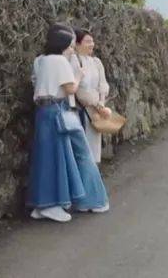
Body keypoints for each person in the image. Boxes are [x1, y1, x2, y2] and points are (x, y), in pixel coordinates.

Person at [28, 25, 109, 222]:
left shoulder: (40, 60)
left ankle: (42, 205)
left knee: (45, 158)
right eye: (71, 45)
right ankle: (77, 202)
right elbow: (71, 88)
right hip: (58, 111)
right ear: (62, 44)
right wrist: (79, 75)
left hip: (42, 111)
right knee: (69, 156)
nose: (72, 49)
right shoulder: (60, 61)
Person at [73, 28, 113, 163]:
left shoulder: (96, 62)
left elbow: (103, 84)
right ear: (77, 44)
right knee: (83, 147)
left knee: (94, 147)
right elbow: (79, 91)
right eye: (87, 41)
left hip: (97, 110)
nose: (92, 44)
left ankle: (94, 172)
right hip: (82, 109)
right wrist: (98, 105)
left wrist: (101, 102)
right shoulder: (74, 60)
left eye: (92, 41)